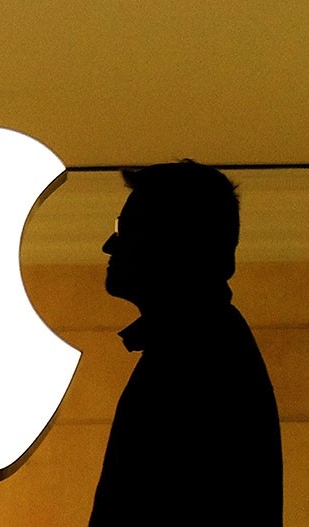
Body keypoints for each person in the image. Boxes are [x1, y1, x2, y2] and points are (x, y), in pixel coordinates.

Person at [88, 161, 283, 526]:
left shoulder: (197, 356)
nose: (109, 245)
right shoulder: (204, 343)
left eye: (127, 231)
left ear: (174, 247)